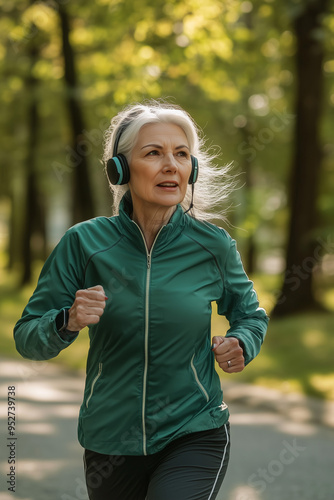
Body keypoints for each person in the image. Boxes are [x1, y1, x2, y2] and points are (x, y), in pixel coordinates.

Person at [14, 100, 269, 500]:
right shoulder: (84, 243)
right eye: (154, 153)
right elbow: (27, 337)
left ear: (192, 170)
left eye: (182, 155)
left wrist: (242, 343)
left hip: (195, 430)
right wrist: (68, 320)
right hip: (109, 441)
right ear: (120, 169)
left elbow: (250, 315)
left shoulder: (213, 247)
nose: (171, 165)